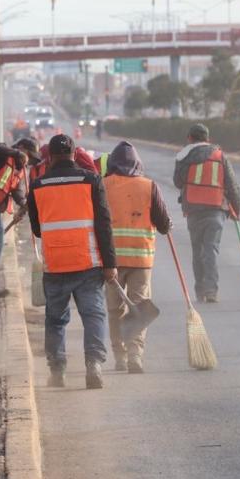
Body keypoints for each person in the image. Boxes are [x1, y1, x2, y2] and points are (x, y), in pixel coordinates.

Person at [28, 134, 117, 389]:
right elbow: (104, 224)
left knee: (55, 319)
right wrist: (110, 264)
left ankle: (57, 371)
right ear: (75, 154)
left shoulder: (38, 185)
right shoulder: (91, 180)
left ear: (50, 157)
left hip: (55, 264)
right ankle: (94, 365)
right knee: (93, 315)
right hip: (88, 262)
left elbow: (36, 229)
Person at [102, 141, 172, 373]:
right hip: (141, 260)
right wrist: (167, 225)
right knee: (139, 307)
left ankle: (119, 357)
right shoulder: (149, 186)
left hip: (110, 261)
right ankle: (135, 355)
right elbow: (163, 224)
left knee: (114, 310)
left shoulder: (103, 185)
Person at [173, 123, 240, 303]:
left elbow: (178, 182)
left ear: (189, 138)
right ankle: (211, 290)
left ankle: (200, 290)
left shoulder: (184, 156)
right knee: (211, 250)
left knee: (197, 250)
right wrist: (237, 210)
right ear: (208, 139)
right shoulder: (220, 156)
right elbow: (232, 186)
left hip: (193, 210)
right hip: (215, 209)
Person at [0, 137, 40, 300]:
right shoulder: (1, 155)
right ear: (20, 148)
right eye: (29, 155)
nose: (28, 161)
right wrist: (17, 153)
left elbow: (17, 193)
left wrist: (25, 205)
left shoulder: (19, 170)